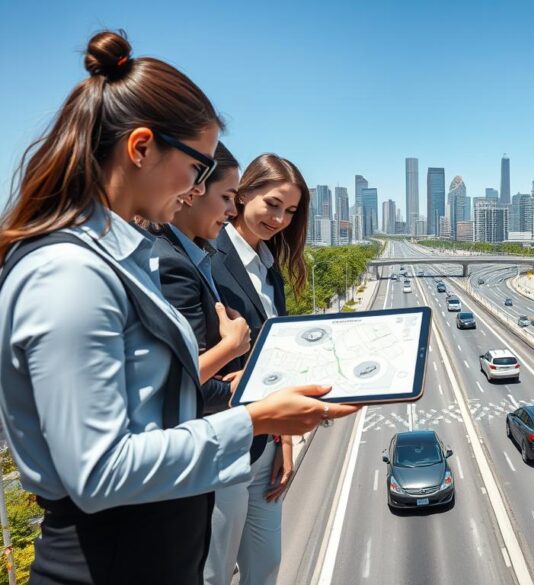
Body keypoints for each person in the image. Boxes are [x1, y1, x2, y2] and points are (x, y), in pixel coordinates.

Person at [0, 31, 359, 585]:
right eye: (198, 168)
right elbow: (99, 472)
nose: (197, 190)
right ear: (141, 147)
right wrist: (255, 419)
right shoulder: (67, 274)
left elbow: (158, 402)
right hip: (107, 561)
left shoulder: (121, 259)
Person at [207, 153, 310, 585]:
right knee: (213, 572)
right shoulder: (209, 259)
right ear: (242, 193)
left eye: (289, 211)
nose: (280, 219)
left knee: (265, 566)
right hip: (224, 442)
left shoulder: (270, 269)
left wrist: (284, 440)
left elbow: (276, 361)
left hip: (266, 446)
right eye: (272, 204)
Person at [152, 141, 249, 414]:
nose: (232, 212)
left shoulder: (195, 254)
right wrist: (236, 355)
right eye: (226, 197)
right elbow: (187, 383)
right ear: (194, 191)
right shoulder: (170, 264)